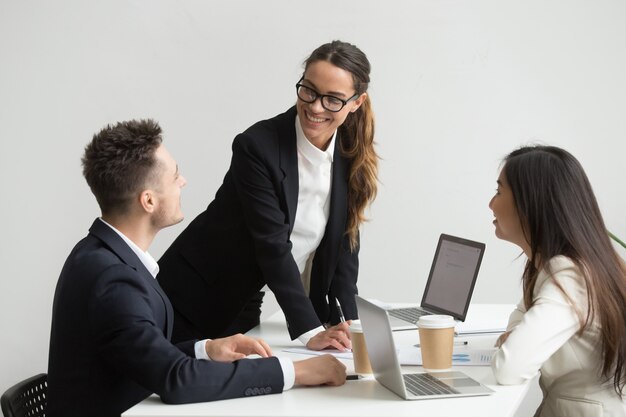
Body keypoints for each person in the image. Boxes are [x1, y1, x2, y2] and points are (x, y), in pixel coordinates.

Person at [46, 119, 346, 417]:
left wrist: (206, 349)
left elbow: (145, 356)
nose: (183, 182)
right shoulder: (113, 279)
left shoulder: (102, 254)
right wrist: (295, 372)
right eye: (175, 176)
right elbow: (177, 379)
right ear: (148, 201)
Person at [157, 40, 378, 350]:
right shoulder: (257, 147)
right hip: (193, 295)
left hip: (245, 296)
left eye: (333, 100)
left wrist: (349, 324)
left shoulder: (350, 151)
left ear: (356, 102)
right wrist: (311, 330)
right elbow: (272, 244)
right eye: (309, 91)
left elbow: (345, 242)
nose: (315, 107)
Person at [489, 145, 626, 416]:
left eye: (499, 191)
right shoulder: (569, 265)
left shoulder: (570, 276)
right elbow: (520, 317)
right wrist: (517, 335)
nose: (491, 204)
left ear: (530, 204)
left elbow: (509, 367)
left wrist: (515, 339)